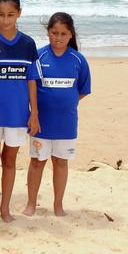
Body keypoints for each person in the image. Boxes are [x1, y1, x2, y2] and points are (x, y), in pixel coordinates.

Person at [0, 0, 42, 224]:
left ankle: (5, 207)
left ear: (19, 14)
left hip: (17, 116)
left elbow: (32, 81)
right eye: (1, 15)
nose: (6, 20)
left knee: (10, 161)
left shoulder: (27, 44)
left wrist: (34, 113)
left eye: (11, 15)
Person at [24, 12, 91, 217]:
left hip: (66, 124)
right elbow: (30, 87)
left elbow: (82, 91)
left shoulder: (78, 60)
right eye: (54, 33)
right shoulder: (39, 56)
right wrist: (35, 113)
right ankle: (31, 204)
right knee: (37, 162)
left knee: (61, 162)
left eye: (63, 33)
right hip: (40, 123)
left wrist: (64, 104)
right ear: (48, 33)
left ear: (70, 35)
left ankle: (58, 205)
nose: (58, 38)